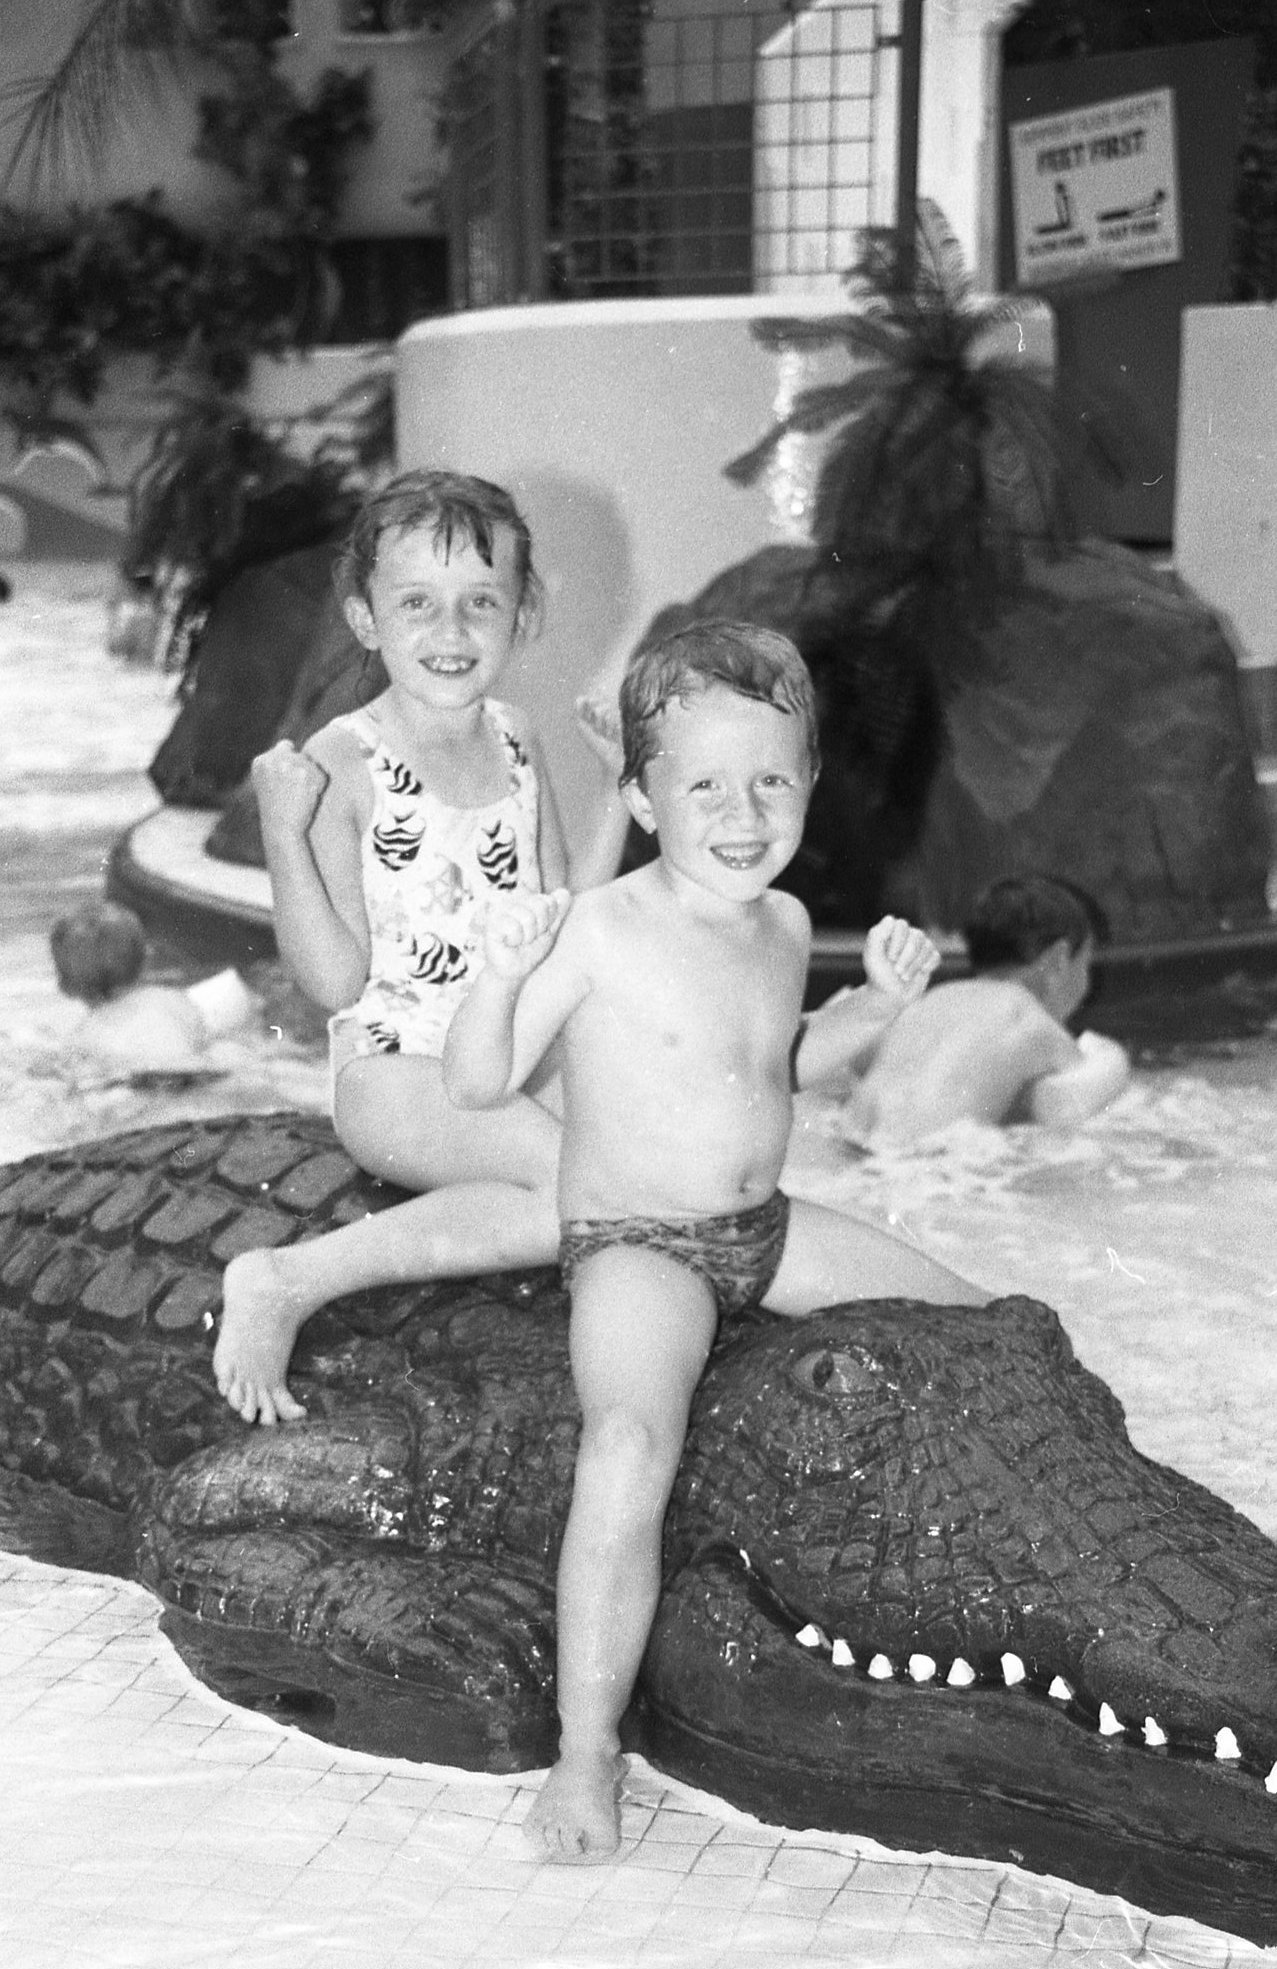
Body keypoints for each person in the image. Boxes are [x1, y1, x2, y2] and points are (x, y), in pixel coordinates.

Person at [214, 476, 939, 1427]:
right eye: (416, 604)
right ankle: (286, 1278)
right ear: (364, 617)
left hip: (519, 1049)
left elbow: (562, 910)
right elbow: (335, 979)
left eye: (482, 601)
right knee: (584, 1189)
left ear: (524, 613)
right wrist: (283, 829)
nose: (452, 629)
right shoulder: (347, 759)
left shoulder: (515, 738)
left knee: (661, 1132)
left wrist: (609, 796)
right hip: (399, 1066)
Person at [442, 619, 988, 1865]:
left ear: (805, 784)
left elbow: (789, 1063)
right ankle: (586, 1750)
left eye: (770, 781)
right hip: (643, 1246)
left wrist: (879, 1005)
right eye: (703, 785)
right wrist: (496, 975)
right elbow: (479, 1086)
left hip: (765, 1227)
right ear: (639, 796)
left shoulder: (783, 925)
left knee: (985, 1315)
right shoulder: (598, 928)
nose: (741, 813)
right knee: (628, 1446)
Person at [843, 875, 1131, 1142]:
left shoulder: (929, 1003)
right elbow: (1066, 1107)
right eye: (1085, 965)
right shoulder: (1029, 1019)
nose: (1086, 984)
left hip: (859, 1152)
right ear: (1058, 960)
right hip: (932, 1166)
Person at [49, 900, 259, 1086]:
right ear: (144, 958)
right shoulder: (172, 999)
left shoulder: (84, 1035)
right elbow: (204, 1039)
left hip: (138, 1086)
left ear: (65, 984)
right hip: (203, 1076)